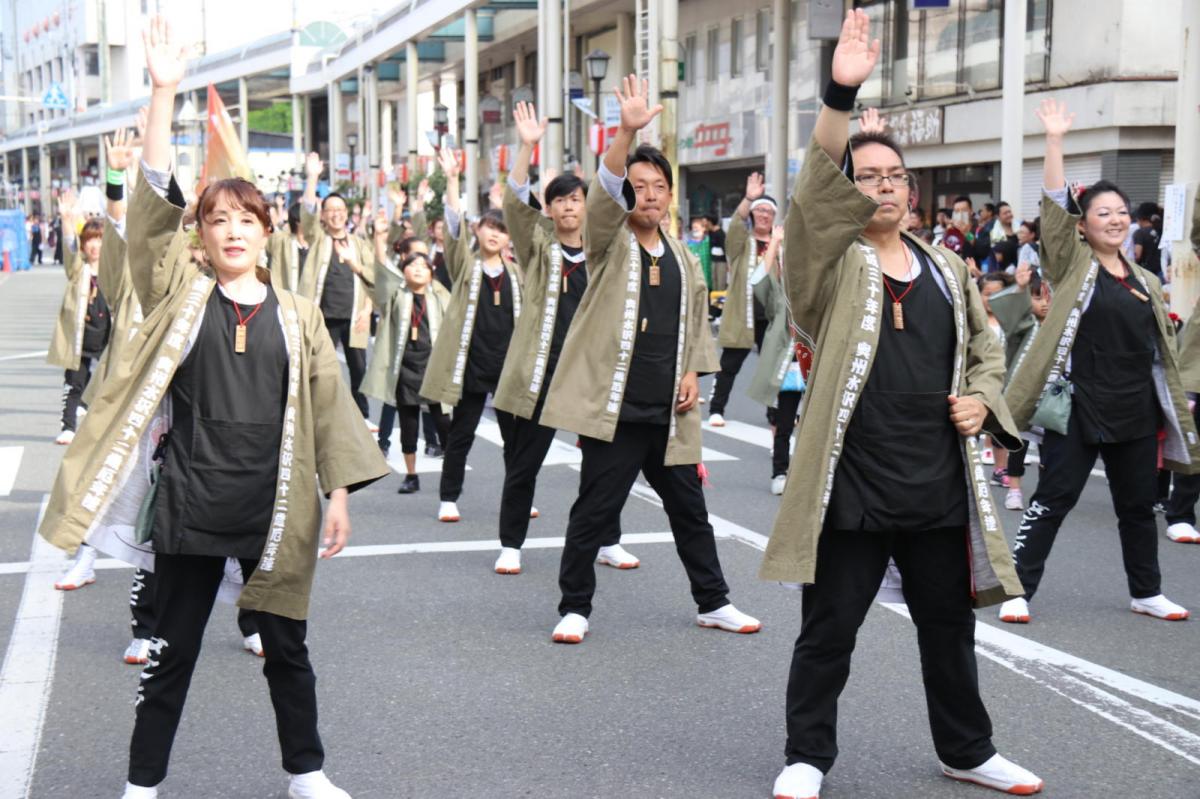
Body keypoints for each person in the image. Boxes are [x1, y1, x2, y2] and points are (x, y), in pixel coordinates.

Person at [37, 19, 391, 798]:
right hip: (192, 503)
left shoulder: (298, 315)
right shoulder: (181, 295)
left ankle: (307, 771)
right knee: (172, 653)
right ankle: (142, 782)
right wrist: (163, 91)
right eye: (218, 219)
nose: (232, 231)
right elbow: (150, 215)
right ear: (200, 233)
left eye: (247, 220)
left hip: (275, 504)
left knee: (288, 649)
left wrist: (337, 495)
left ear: (268, 233)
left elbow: (331, 406)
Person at [762, 12, 1041, 798]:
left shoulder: (949, 269)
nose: (882, 185)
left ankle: (968, 748)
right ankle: (807, 755)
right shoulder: (826, 264)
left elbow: (988, 349)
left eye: (894, 176)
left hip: (935, 482)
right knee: (830, 630)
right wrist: (840, 91)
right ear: (845, 192)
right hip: (852, 484)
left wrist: (981, 400)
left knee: (949, 628)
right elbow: (812, 197)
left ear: (912, 193)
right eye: (866, 175)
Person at [539, 75, 760, 645]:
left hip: (669, 412)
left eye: (659, 186)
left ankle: (714, 602)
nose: (650, 195)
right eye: (639, 187)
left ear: (670, 195)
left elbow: (694, 324)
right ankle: (575, 607)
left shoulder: (684, 257)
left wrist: (690, 372)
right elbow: (603, 193)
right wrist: (626, 132)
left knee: (690, 511)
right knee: (594, 511)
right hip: (616, 409)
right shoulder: (607, 241)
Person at [997, 98, 1200, 626]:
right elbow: (1053, 207)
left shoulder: (1147, 280)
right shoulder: (1073, 263)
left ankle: (1146, 591)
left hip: (1135, 408)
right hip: (1080, 406)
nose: (1114, 220)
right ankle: (1017, 589)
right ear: (1083, 226)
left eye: (1121, 213)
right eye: (1102, 213)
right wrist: (1055, 141)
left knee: (1137, 506)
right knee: (1054, 499)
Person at [491, 101, 638, 575]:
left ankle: (608, 540)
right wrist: (527, 148)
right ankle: (511, 544)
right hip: (541, 372)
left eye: (576, 199)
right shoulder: (538, 245)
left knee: (603, 466)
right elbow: (516, 203)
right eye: (560, 200)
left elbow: (618, 199)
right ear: (550, 209)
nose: (569, 206)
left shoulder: (605, 250)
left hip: (588, 374)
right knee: (524, 465)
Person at [420, 146, 522, 523]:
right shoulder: (467, 265)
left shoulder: (517, 273)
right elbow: (452, 228)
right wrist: (452, 179)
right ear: (478, 230)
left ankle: (519, 498)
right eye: (490, 227)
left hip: (508, 367)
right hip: (472, 366)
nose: (495, 234)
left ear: (509, 238)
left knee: (516, 441)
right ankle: (449, 498)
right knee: (461, 435)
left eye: (502, 230)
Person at [362, 245, 451, 494]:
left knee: (444, 422)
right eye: (412, 265)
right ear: (403, 271)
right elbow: (380, 280)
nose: (418, 269)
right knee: (408, 424)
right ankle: (411, 476)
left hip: (433, 368)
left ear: (431, 273)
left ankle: (451, 475)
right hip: (405, 368)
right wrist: (378, 242)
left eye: (424, 266)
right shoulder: (397, 296)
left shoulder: (440, 297)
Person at [299, 152, 379, 425]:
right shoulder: (318, 238)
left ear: (346, 214)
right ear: (323, 215)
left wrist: (367, 310)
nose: (336, 214)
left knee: (359, 370)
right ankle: (321, 419)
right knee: (320, 368)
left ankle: (362, 420)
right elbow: (307, 215)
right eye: (330, 210)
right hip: (324, 317)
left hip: (355, 316)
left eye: (340, 210)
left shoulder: (359, 243)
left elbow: (372, 278)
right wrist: (312, 178)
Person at [708, 171, 774, 427]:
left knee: (774, 369)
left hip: (771, 318)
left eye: (769, 211)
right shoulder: (742, 243)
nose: (764, 215)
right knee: (729, 365)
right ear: (753, 214)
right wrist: (748, 199)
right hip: (742, 315)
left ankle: (775, 414)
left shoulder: (780, 244)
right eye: (760, 210)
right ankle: (717, 409)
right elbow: (736, 224)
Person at [47, 190, 111, 447]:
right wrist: (67, 220)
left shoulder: (114, 271)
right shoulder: (78, 270)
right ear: (84, 244)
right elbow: (69, 248)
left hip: (107, 339)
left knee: (108, 385)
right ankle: (67, 426)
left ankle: (102, 428)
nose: (95, 246)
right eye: (90, 240)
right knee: (73, 383)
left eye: (100, 240)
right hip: (81, 338)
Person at [988, 264, 1052, 512]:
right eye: (1036, 297)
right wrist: (1021, 289)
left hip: (1051, 395)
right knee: (1019, 443)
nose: (1043, 304)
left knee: (1051, 449)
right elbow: (1010, 317)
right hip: (1024, 393)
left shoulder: (1060, 326)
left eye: (1047, 297)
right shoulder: (1025, 324)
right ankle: (1014, 488)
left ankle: (1044, 494)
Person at [743, 225, 798, 496]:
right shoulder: (777, 291)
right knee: (784, 423)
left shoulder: (820, 287)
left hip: (816, 362)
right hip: (787, 364)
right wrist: (775, 243)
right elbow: (757, 280)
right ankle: (780, 472)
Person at [1132, 202, 1163, 280]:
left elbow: (1137, 255)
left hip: (1145, 273)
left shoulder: (1140, 232)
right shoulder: (1161, 231)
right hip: (1161, 272)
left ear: (1140, 218)